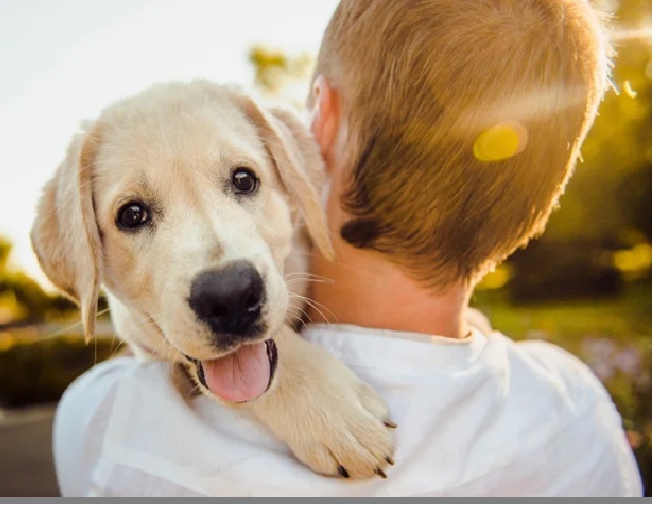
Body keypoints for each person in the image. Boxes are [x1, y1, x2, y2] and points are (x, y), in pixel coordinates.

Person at [53, 0, 642, 497]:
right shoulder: (579, 415)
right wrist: (286, 377)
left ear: (319, 123)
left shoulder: (110, 433)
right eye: (135, 214)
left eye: (241, 181)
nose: (222, 271)